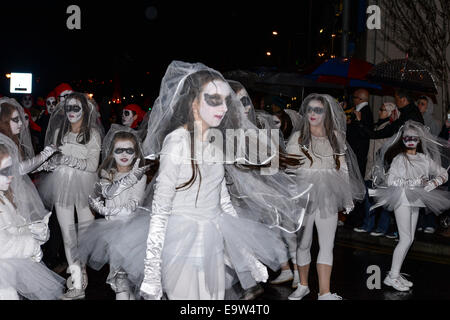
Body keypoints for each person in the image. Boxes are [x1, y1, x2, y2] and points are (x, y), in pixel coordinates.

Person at [116, 61, 307, 300]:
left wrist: (248, 258)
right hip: (181, 246)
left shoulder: (215, 143)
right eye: (214, 99)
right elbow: (160, 210)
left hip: (213, 243)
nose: (225, 107)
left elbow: (224, 204)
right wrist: (152, 273)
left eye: (226, 100)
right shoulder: (177, 142)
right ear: (194, 103)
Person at [286, 93, 365, 300]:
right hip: (304, 194)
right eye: (310, 109)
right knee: (303, 243)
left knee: (327, 244)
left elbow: (343, 168)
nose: (313, 113)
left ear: (326, 113)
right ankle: (302, 285)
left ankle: (324, 291)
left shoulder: (336, 137)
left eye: (318, 110)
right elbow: (290, 169)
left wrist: (347, 197)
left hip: (329, 192)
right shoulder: (298, 137)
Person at [36, 92, 103, 300]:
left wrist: (68, 159)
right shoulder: (59, 132)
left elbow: (93, 165)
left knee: (83, 235)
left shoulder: (92, 133)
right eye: (68, 108)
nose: (72, 112)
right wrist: (51, 162)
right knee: (67, 235)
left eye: (76, 108)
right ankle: (76, 283)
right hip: (61, 184)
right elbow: (53, 158)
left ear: (85, 109)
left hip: (85, 187)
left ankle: (80, 273)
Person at [370, 121, 450, 291]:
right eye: (407, 138)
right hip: (402, 199)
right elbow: (391, 181)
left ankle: (396, 273)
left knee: (410, 239)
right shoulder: (400, 159)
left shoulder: (424, 158)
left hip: (417, 200)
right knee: (405, 238)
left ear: (419, 140)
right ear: (403, 140)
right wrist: (414, 182)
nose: (411, 141)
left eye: (414, 138)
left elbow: (443, 173)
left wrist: (434, 182)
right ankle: (392, 276)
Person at [76, 125, 149, 300]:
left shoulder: (139, 176)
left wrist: (106, 209)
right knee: (120, 285)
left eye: (129, 150)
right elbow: (104, 195)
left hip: (131, 233)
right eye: (119, 150)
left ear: (136, 153)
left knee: (122, 284)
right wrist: (102, 207)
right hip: (111, 234)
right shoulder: (107, 175)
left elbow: (133, 205)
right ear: (112, 153)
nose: (124, 155)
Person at [0, 134, 65, 300]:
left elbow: (11, 227)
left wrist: (33, 230)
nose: (12, 176)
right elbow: (3, 244)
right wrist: (32, 244)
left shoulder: (4, 196)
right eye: (5, 171)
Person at [354, 102, 399, 236]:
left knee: (384, 199)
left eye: (383, 110)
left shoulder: (389, 128)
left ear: (390, 113)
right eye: (380, 109)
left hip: (382, 170)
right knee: (369, 197)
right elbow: (366, 134)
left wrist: (360, 121)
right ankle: (368, 225)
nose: (379, 112)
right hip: (370, 167)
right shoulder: (377, 125)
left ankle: (382, 227)